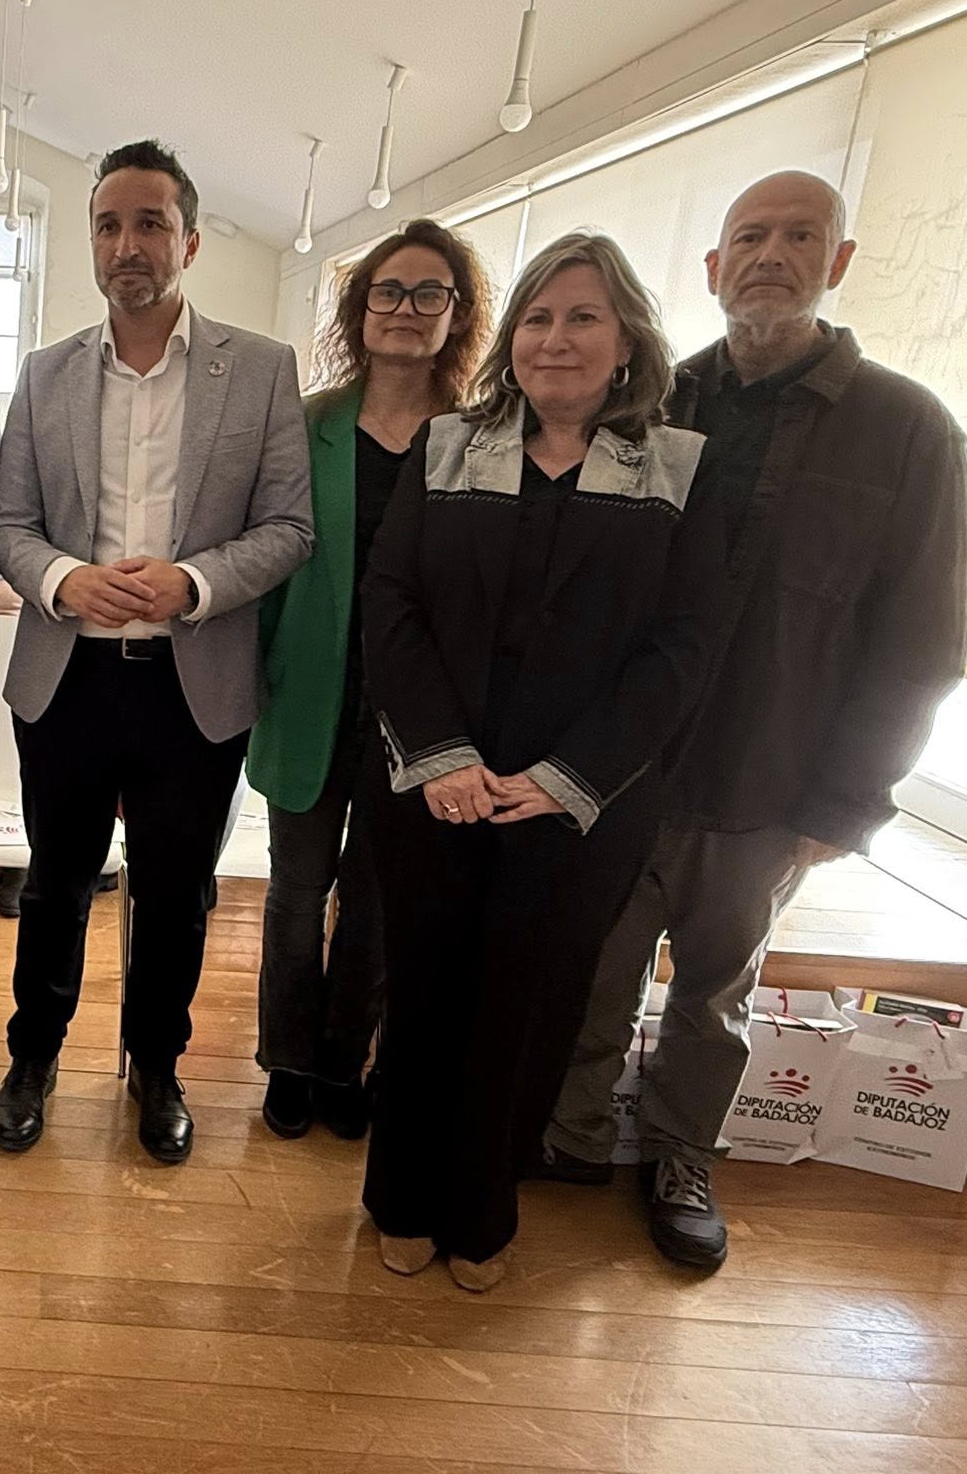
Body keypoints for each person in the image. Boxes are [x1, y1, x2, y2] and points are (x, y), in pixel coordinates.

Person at [540, 173, 967, 1270]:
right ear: (713, 267)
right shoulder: (652, 403)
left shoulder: (907, 430)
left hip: (769, 778)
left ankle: (680, 1155)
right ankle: (571, 1133)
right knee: (593, 968)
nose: (770, 255)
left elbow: (921, 641)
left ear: (837, 261)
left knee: (715, 992)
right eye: (749, 237)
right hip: (624, 770)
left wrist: (848, 803)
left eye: (799, 236)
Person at [360, 231, 727, 1291]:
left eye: (582, 317)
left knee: (529, 1006)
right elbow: (391, 602)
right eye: (536, 317)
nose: (555, 338)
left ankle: (481, 1213)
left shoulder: (678, 467)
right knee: (423, 992)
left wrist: (566, 776)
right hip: (437, 785)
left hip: (577, 800)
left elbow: (685, 644)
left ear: (627, 342)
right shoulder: (447, 446)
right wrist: (441, 758)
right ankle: (401, 1198)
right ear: (508, 338)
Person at [0, 140, 313, 1164]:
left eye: (149, 224)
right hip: (68, 678)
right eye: (108, 225)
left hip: (192, 684)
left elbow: (289, 526)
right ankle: (32, 1057)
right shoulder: (43, 374)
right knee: (54, 886)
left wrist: (194, 584)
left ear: (190, 241)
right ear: (91, 240)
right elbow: (7, 523)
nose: (126, 244)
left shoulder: (259, 370)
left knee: (176, 895)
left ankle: (157, 1068)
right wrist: (62, 579)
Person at [246, 220, 493, 1141]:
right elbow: (266, 562)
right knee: (295, 892)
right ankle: (288, 1059)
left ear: (456, 314)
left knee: (380, 900)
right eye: (388, 291)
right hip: (309, 690)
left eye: (430, 293)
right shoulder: (305, 425)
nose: (406, 309)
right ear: (359, 309)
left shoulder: (482, 437)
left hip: (421, 711)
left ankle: (345, 1061)